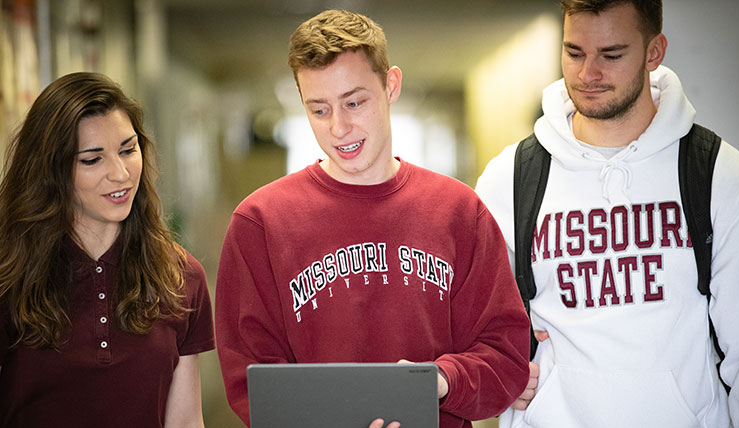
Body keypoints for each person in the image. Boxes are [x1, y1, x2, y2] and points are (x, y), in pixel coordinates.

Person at [214, 9, 530, 428]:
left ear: (390, 85)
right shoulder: (260, 223)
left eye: (354, 102)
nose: (340, 128)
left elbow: (505, 355)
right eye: (319, 110)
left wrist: (436, 381)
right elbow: (251, 379)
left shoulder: (459, 211)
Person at [475, 0, 739, 427]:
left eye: (611, 55)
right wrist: (501, 366)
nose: (588, 73)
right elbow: (472, 331)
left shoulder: (719, 175)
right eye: (574, 53)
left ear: (654, 52)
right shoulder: (509, 178)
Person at [0, 72, 215, 428]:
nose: (120, 174)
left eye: (128, 150)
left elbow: (186, 422)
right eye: (92, 159)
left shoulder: (181, 276)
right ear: (52, 171)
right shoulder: (9, 275)